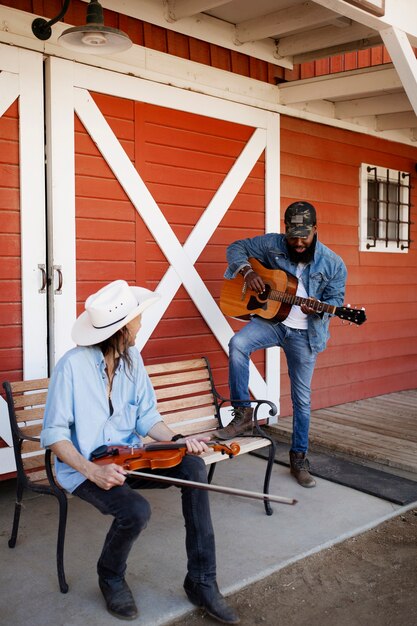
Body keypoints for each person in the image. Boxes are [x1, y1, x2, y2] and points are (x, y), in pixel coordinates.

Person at [41, 279, 239, 624]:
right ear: (120, 329)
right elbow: (55, 435)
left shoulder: (132, 357)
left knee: (193, 468)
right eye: (136, 319)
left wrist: (178, 439)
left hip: (130, 456)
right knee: (136, 510)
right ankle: (111, 575)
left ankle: (202, 581)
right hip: (86, 468)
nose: (140, 324)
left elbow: (147, 416)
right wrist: (93, 471)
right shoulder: (71, 367)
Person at [216, 201, 347, 488]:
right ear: (285, 230)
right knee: (238, 343)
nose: (298, 243)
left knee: (301, 399)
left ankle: (298, 458)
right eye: (293, 237)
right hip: (273, 323)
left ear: (315, 230)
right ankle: (243, 414)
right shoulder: (273, 245)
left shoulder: (333, 263)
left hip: (305, 335)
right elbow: (235, 248)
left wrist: (322, 308)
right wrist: (248, 272)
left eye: (304, 236)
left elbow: (337, 300)